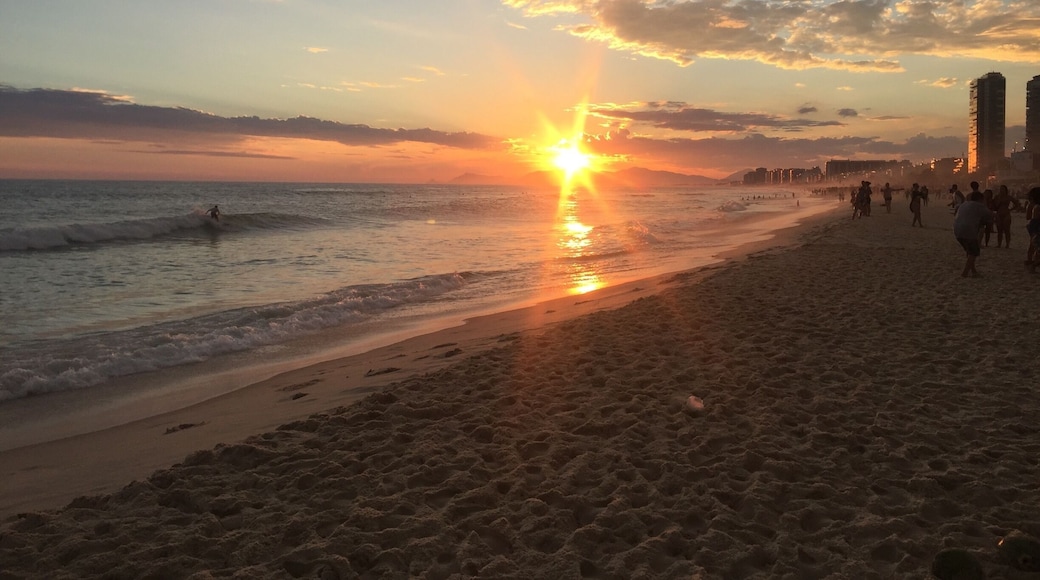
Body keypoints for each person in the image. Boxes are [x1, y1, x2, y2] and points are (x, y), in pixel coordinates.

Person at [953, 191, 994, 278]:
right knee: (974, 252)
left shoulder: (965, 204)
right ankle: (965, 273)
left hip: (957, 230)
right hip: (968, 230)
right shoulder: (980, 206)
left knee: (970, 251)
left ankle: (973, 271)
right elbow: (990, 216)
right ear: (981, 199)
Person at [1025, 187, 1040, 271]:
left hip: (1034, 228)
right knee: (1035, 248)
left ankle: (1031, 263)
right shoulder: (1037, 207)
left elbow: (1028, 218)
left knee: (1032, 247)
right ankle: (1032, 264)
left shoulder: (1034, 206)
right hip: (1036, 228)